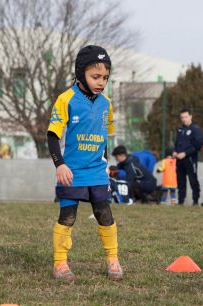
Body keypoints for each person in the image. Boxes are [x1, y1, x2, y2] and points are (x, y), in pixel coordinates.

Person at [47, 45, 123, 282]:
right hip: (73, 171)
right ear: (81, 74)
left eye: (105, 78)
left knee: (104, 213)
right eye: (95, 77)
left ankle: (112, 259)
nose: (101, 82)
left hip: (97, 171)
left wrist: (107, 163)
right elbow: (52, 135)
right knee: (67, 216)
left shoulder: (106, 104)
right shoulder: (66, 99)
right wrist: (60, 165)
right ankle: (60, 263)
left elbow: (105, 138)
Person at [174, 108, 203, 205]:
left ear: (190, 116)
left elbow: (198, 145)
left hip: (190, 159)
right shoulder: (180, 129)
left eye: (185, 117)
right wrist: (175, 151)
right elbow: (177, 143)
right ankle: (181, 201)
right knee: (180, 181)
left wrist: (185, 153)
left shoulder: (195, 129)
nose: (183, 119)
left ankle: (195, 201)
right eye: (182, 117)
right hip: (179, 160)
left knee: (193, 180)